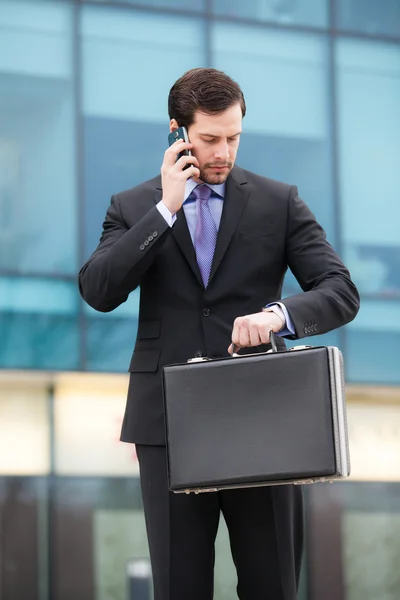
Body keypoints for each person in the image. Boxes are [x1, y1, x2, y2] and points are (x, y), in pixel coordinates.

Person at [79, 68, 359, 600]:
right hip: (168, 425)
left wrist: (279, 315)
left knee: (271, 584)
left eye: (233, 137)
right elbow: (98, 290)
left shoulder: (279, 202)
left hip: (263, 419)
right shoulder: (134, 207)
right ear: (177, 133)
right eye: (209, 139)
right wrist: (166, 209)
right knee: (180, 588)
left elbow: (339, 289)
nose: (223, 152)